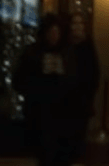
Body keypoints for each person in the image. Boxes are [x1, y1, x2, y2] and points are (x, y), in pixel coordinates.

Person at [12, 14, 76, 166]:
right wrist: (38, 76)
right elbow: (19, 81)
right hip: (39, 114)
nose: (54, 36)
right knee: (44, 156)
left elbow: (76, 82)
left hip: (62, 116)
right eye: (51, 32)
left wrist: (63, 74)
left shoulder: (67, 53)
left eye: (56, 32)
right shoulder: (32, 53)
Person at [66, 13, 101, 165]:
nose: (77, 27)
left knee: (79, 137)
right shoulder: (66, 47)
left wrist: (88, 96)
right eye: (74, 23)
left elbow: (94, 74)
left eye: (80, 24)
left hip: (81, 101)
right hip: (65, 100)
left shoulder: (88, 47)